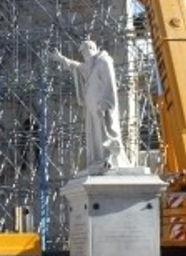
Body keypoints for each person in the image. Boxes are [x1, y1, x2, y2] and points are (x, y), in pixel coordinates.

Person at [49, 38, 128, 173]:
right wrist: (61, 59)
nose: (84, 57)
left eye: (85, 53)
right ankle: (99, 159)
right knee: (95, 135)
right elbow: (78, 67)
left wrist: (106, 103)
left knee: (105, 132)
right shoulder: (91, 65)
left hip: (102, 106)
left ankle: (110, 157)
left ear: (91, 49)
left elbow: (110, 84)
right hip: (92, 107)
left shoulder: (103, 62)